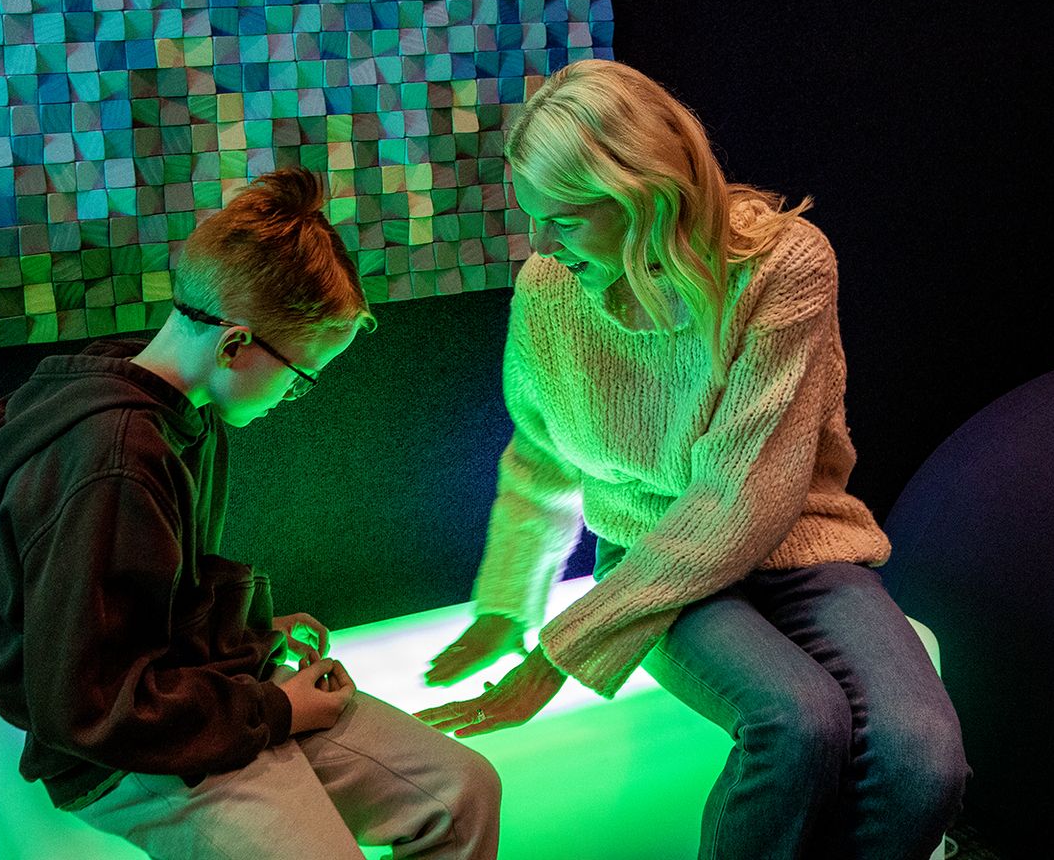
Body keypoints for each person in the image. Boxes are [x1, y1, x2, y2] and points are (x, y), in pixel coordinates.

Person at [414, 60, 967, 860]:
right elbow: (540, 459)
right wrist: (508, 605)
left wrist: (562, 651)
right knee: (798, 722)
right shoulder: (548, 291)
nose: (542, 244)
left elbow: (744, 499)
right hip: (651, 562)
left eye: (565, 218)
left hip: (802, 549)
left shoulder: (787, 266)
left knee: (924, 763)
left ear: (645, 193)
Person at [0, 168, 501, 860]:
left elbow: (146, 609)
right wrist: (280, 710)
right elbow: (91, 704)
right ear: (234, 345)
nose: (293, 398)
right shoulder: (112, 461)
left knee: (463, 791)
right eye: (298, 378)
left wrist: (252, 632)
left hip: (204, 699)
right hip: (123, 754)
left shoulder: (185, 418)